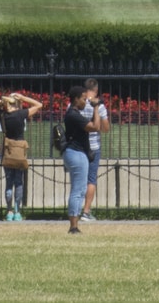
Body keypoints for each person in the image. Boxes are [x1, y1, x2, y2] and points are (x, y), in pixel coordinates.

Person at [0, 90, 41, 222]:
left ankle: (8, 211)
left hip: (8, 149)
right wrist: (24, 98)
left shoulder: (3, 115)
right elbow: (39, 105)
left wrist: (2, 101)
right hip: (19, 150)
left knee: (9, 182)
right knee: (18, 181)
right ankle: (17, 210)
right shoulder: (21, 114)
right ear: (17, 103)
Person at [62, 82, 98, 234]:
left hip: (75, 153)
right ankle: (73, 226)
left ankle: (74, 224)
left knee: (79, 189)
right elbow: (95, 127)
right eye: (83, 99)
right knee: (78, 190)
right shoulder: (73, 115)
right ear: (76, 99)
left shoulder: (74, 114)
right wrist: (96, 107)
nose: (86, 101)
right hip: (76, 154)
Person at [79, 78, 108, 222]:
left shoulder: (76, 104)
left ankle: (74, 208)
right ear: (96, 90)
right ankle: (86, 211)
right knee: (91, 180)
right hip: (93, 146)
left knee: (78, 179)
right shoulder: (99, 106)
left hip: (77, 146)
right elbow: (105, 128)